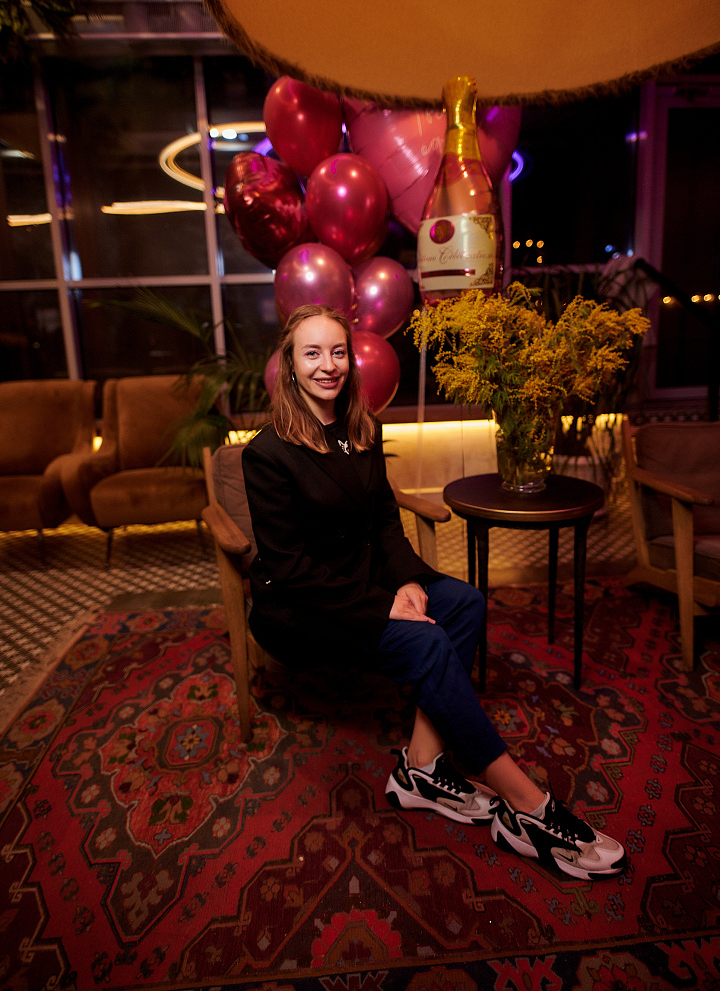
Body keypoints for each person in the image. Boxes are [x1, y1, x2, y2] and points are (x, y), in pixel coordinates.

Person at [241, 304, 626, 881]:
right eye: (312, 353)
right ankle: (527, 806)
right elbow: (291, 568)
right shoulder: (267, 454)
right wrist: (385, 604)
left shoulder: (361, 430)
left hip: (365, 581)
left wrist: (407, 581)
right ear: (290, 366)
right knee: (424, 644)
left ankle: (420, 767)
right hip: (301, 607)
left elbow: (383, 523)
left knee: (465, 602)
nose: (328, 365)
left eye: (338, 352)